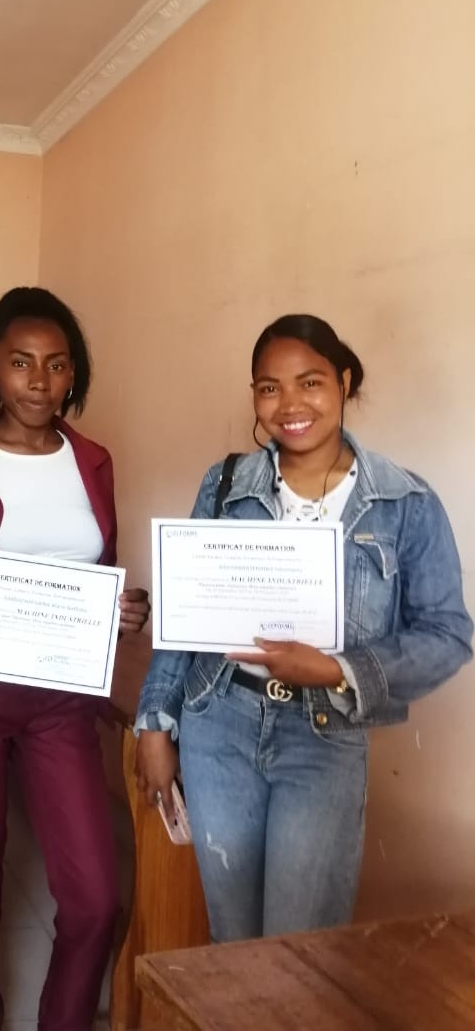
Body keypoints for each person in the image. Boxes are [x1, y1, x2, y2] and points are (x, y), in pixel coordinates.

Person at [134, 314, 472, 943]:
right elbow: (186, 612)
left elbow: (448, 634)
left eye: (310, 382)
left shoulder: (406, 504)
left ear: (344, 381)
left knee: (299, 950)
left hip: (325, 736)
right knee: (233, 943)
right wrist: (155, 723)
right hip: (220, 725)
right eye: (270, 388)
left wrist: (337, 669)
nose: (290, 404)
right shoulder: (226, 483)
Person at [0, 286, 150, 1031]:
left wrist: (123, 609)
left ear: (73, 373)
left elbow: (99, 570)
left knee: (95, 898)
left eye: (56, 364)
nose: (39, 382)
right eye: (21, 363)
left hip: (60, 701)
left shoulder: (94, 461)